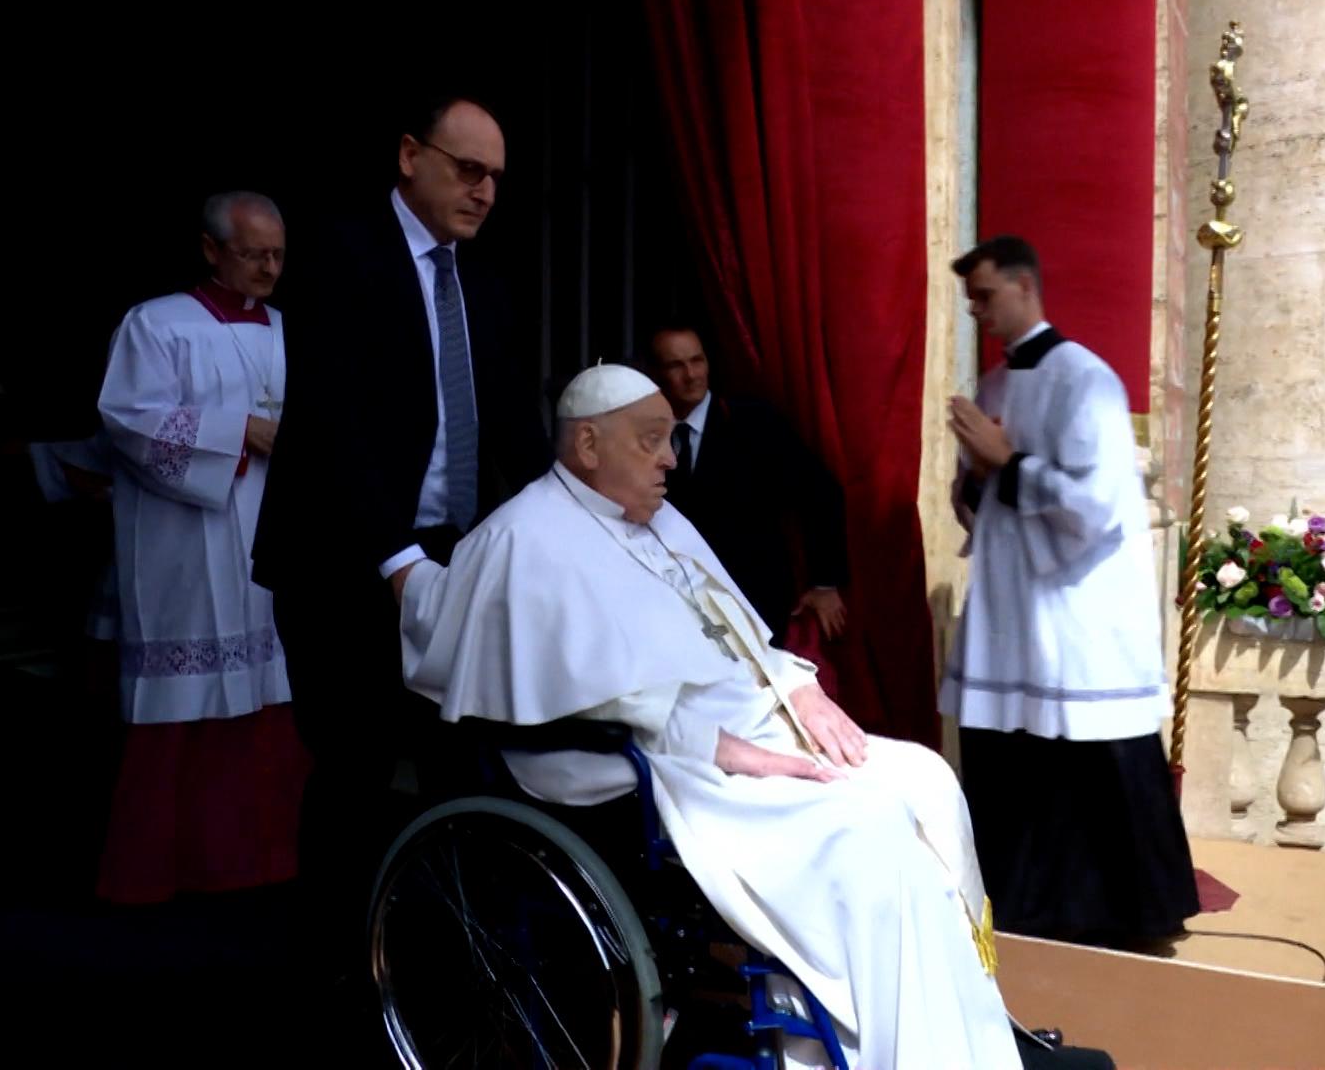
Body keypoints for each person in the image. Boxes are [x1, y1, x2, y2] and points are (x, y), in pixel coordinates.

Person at [396, 365, 1102, 1070]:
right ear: (587, 447)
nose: (671, 458)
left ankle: (974, 1038)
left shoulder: (662, 518)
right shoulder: (525, 539)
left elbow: (737, 633)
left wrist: (799, 689)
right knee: (867, 829)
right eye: (651, 441)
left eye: (669, 439)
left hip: (751, 726)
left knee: (924, 779)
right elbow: (568, 692)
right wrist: (729, 749)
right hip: (654, 764)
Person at [252, 96, 550, 962]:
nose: (486, 191)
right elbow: (334, 422)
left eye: (496, 177)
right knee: (351, 769)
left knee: (463, 757)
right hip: (342, 563)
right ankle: (335, 963)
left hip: (448, 554)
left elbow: (514, 427)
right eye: (469, 169)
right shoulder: (338, 255)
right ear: (410, 156)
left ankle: (444, 959)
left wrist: (577, 526)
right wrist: (395, 558)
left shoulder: (485, 283)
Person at [939, 235, 1198, 948]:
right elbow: (982, 502)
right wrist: (975, 478)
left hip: (1075, 608)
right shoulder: (994, 387)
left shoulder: (1087, 380)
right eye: (971, 303)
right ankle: (1020, 906)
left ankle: (1122, 914)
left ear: (1025, 288)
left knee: (1088, 757)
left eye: (986, 297)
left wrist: (1004, 461)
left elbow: (1100, 505)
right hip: (1011, 609)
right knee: (1011, 758)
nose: (979, 314)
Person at [94, 191, 309, 903]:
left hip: (271, 534)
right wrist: (235, 431)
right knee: (187, 697)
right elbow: (126, 418)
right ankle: (163, 868)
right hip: (186, 542)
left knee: (269, 692)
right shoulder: (157, 324)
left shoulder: (290, 329)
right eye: (253, 254)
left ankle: (264, 859)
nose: (268, 268)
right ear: (212, 249)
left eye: (277, 254)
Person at [646, 325, 849, 648]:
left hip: (752, 602)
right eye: (676, 366)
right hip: (674, 604)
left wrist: (824, 583)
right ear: (655, 374)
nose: (691, 375)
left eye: (697, 361)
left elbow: (820, 492)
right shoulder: (643, 435)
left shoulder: (754, 424)